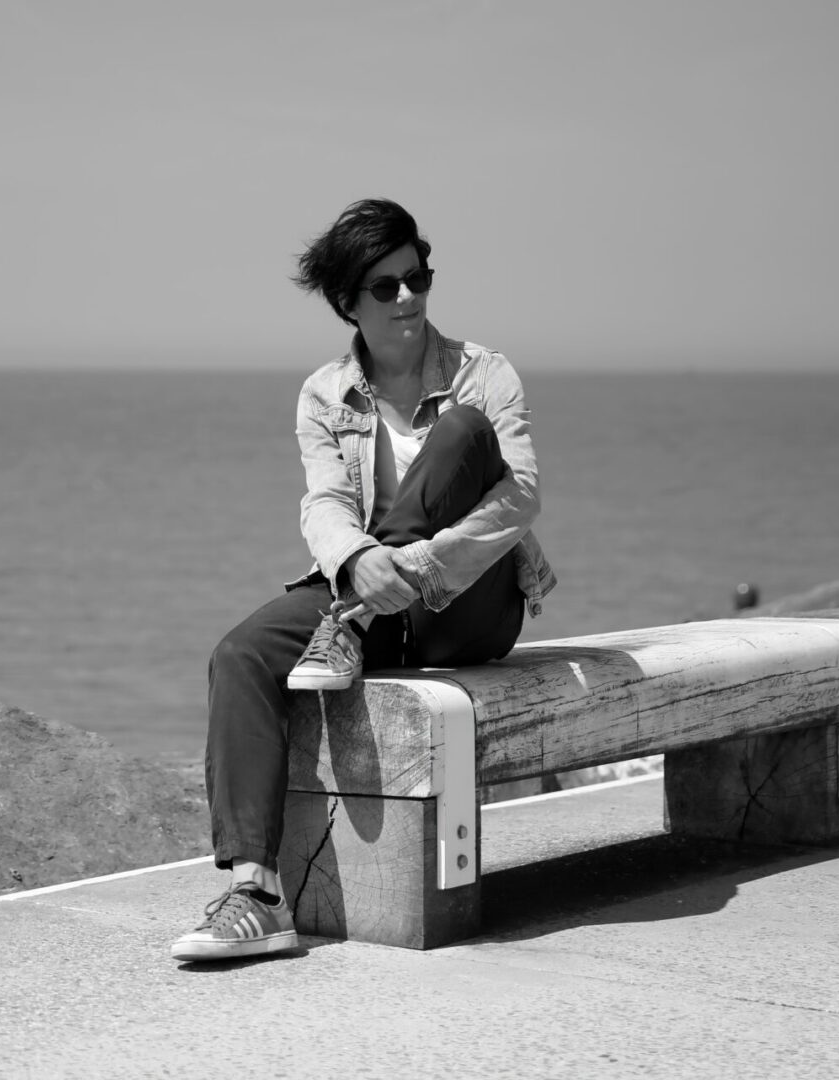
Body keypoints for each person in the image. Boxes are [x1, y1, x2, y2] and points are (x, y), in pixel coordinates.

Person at [169, 198, 556, 962]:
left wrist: (401, 571)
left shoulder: (483, 373)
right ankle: (256, 894)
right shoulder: (324, 393)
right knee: (239, 654)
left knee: (463, 432)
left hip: (467, 602)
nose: (407, 297)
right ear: (348, 300)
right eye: (385, 286)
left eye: (418, 277)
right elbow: (324, 503)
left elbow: (519, 499)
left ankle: (348, 622)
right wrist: (354, 563)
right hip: (364, 594)